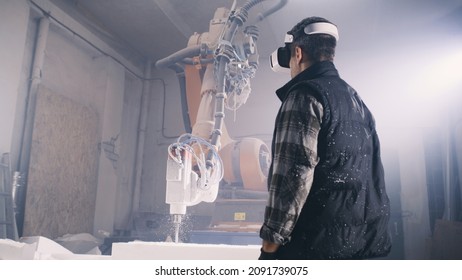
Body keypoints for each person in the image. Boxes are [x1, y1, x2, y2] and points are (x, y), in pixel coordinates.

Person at [259, 16, 392, 260]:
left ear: (297, 53)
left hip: (314, 248)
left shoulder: (304, 96)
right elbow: (373, 176)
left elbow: (294, 175)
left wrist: (271, 244)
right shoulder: (356, 100)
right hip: (362, 247)